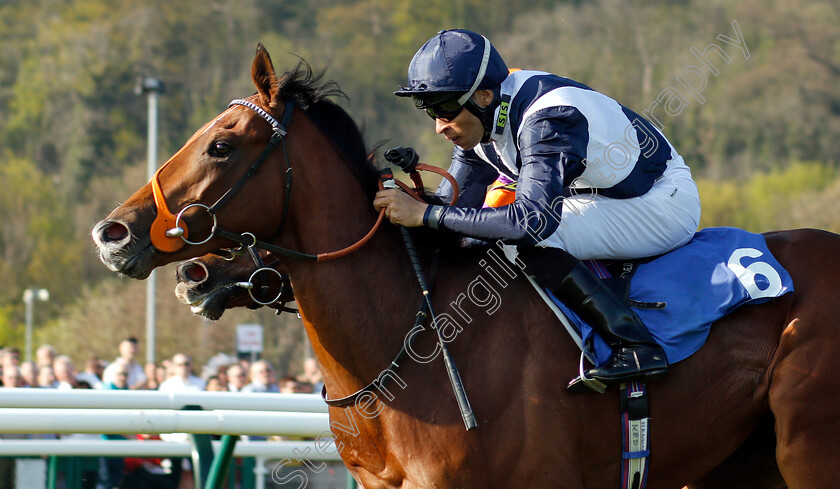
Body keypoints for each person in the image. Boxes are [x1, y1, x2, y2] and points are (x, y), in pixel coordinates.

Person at [375, 29, 701, 390]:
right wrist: (407, 206)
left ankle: (635, 345)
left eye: (446, 108)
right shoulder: (482, 118)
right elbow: (453, 207)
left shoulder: (549, 119)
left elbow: (532, 222)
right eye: (429, 109)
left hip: (658, 203)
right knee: (473, 238)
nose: (439, 126)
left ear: (484, 95)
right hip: (601, 195)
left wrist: (425, 215)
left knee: (519, 242)